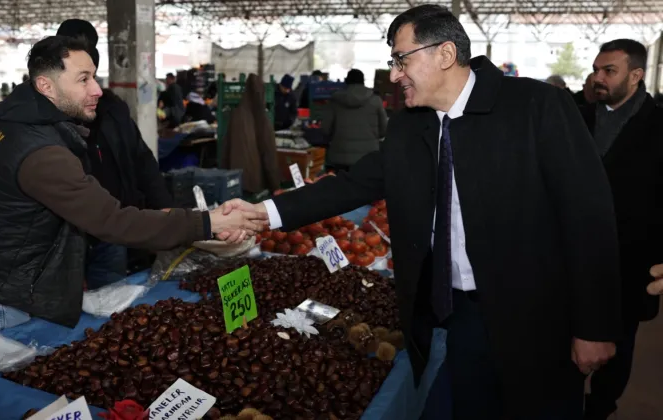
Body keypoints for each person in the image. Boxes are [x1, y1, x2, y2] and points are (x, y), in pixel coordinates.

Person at [222, 5, 622, 419]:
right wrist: (261, 213)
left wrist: (595, 326)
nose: (394, 75)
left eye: (401, 59)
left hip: (539, 318)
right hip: (461, 314)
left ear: (444, 54)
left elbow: (588, 216)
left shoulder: (537, 106)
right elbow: (351, 185)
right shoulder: (409, 125)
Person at [0, 36, 266, 331]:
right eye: (83, 79)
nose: (97, 89)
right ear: (45, 85)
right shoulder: (41, 151)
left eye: (94, 77)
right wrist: (208, 222)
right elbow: (112, 220)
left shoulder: (10, 119)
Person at [579, 39, 663, 420]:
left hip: (631, 258)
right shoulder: (579, 116)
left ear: (637, 75)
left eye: (608, 71)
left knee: (618, 342)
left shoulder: (658, 125)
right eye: (596, 69)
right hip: (575, 254)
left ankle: (599, 408)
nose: (598, 77)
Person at [56, 19, 176, 288]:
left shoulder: (112, 109)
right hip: (65, 239)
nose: (91, 87)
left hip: (112, 231)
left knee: (108, 305)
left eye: (91, 75)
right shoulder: (45, 119)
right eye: (80, 77)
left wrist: (166, 210)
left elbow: (142, 160)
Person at [222, 74, 281, 195]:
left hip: (233, 182)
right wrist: (275, 186)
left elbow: (225, 149)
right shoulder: (262, 118)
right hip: (254, 184)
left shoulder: (236, 114)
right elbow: (268, 154)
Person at [322, 68, 387, 173]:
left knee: (341, 188)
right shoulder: (375, 101)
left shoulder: (335, 101)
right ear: (363, 81)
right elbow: (384, 129)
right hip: (368, 157)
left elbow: (325, 129)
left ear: (347, 81)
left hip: (339, 157)